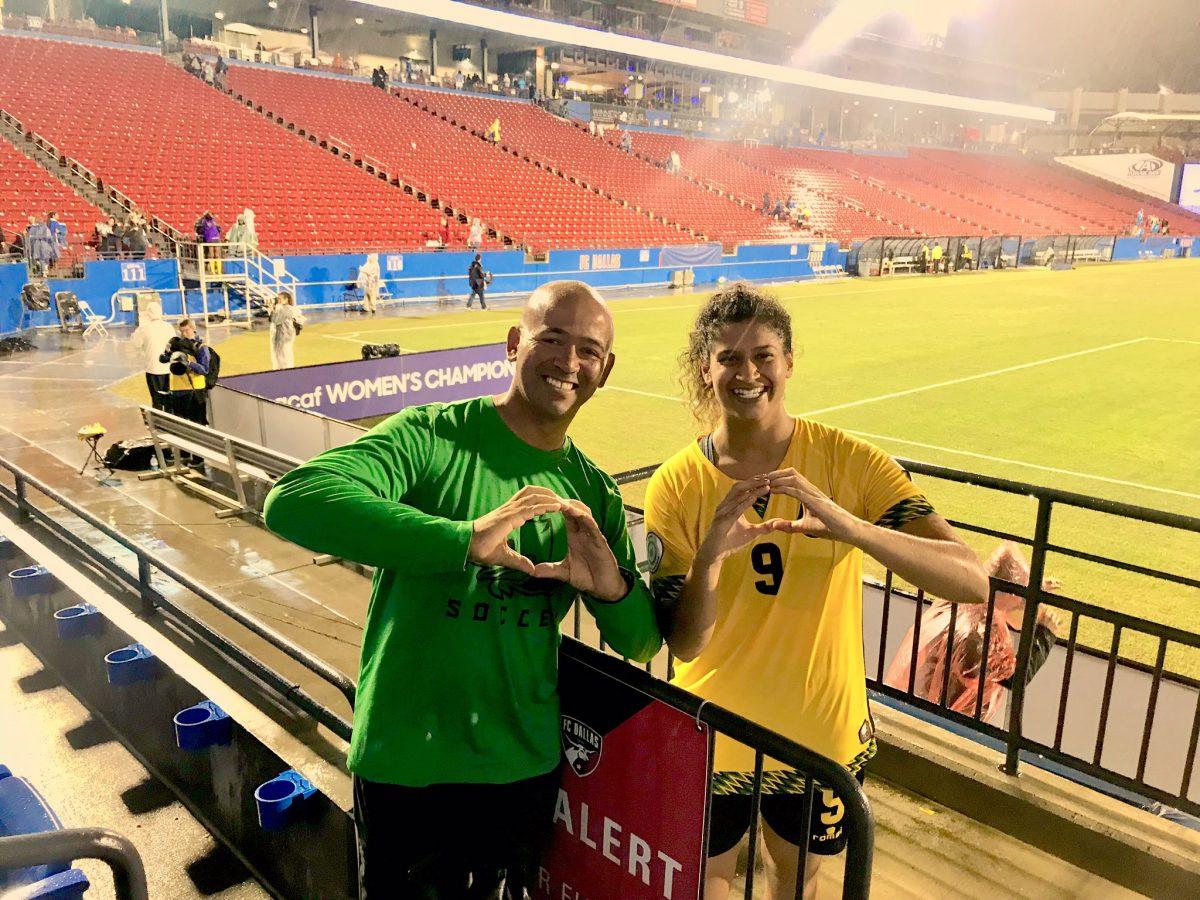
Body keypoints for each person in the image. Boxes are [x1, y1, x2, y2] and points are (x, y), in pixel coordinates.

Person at [262, 281, 661, 898]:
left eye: (589, 350)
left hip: (520, 768)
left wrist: (609, 586)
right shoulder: (431, 436)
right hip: (408, 762)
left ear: (605, 371)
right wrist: (461, 539)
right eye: (551, 339)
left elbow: (637, 641)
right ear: (512, 345)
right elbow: (295, 501)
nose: (569, 361)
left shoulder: (593, 492)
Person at [643, 284, 987, 900]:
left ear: (789, 362)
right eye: (728, 358)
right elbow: (687, 644)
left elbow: (969, 578)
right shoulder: (676, 484)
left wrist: (854, 529)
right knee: (705, 880)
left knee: (799, 878)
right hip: (710, 729)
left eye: (764, 356)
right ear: (706, 369)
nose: (747, 373)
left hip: (818, 736)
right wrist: (710, 562)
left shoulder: (849, 462)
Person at [884, 542, 1061, 725]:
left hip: (914, 697)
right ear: (1010, 595)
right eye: (1021, 598)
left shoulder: (965, 595)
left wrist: (1030, 588)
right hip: (943, 718)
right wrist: (1044, 635)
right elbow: (1015, 678)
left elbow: (1006, 589)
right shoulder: (983, 631)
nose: (1023, 605)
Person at [159, 318, 211, 441]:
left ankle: (198, 458)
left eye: (186, 331)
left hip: (195, 391)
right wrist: (170, 355)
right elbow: (162, 359)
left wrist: (188, 363)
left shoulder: (201, 347)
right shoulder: (175, 344)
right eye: (181, 331)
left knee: (197, 426)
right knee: (180, 426)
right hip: (177, 390)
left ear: (193, 329)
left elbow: (204, 370)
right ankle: (184, 454)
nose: (183, 334)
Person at [129, 297, 175, 412]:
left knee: (156, 398)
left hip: (153, 368)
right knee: (167, 395)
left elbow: (136, 343)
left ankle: (159, 419)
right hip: (167, 367)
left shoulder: (144, 328)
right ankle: (170, 417)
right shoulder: (168, 327)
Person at [268, 290, 304, 369]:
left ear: (286, 299)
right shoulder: (284, 308)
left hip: (283, 337)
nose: (278, 301)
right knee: (282, 356)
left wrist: (272, 310)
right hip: (283, 336)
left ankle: (285, 375)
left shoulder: (286, 309)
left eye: (280, 299)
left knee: (282, 358)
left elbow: (275, 320)